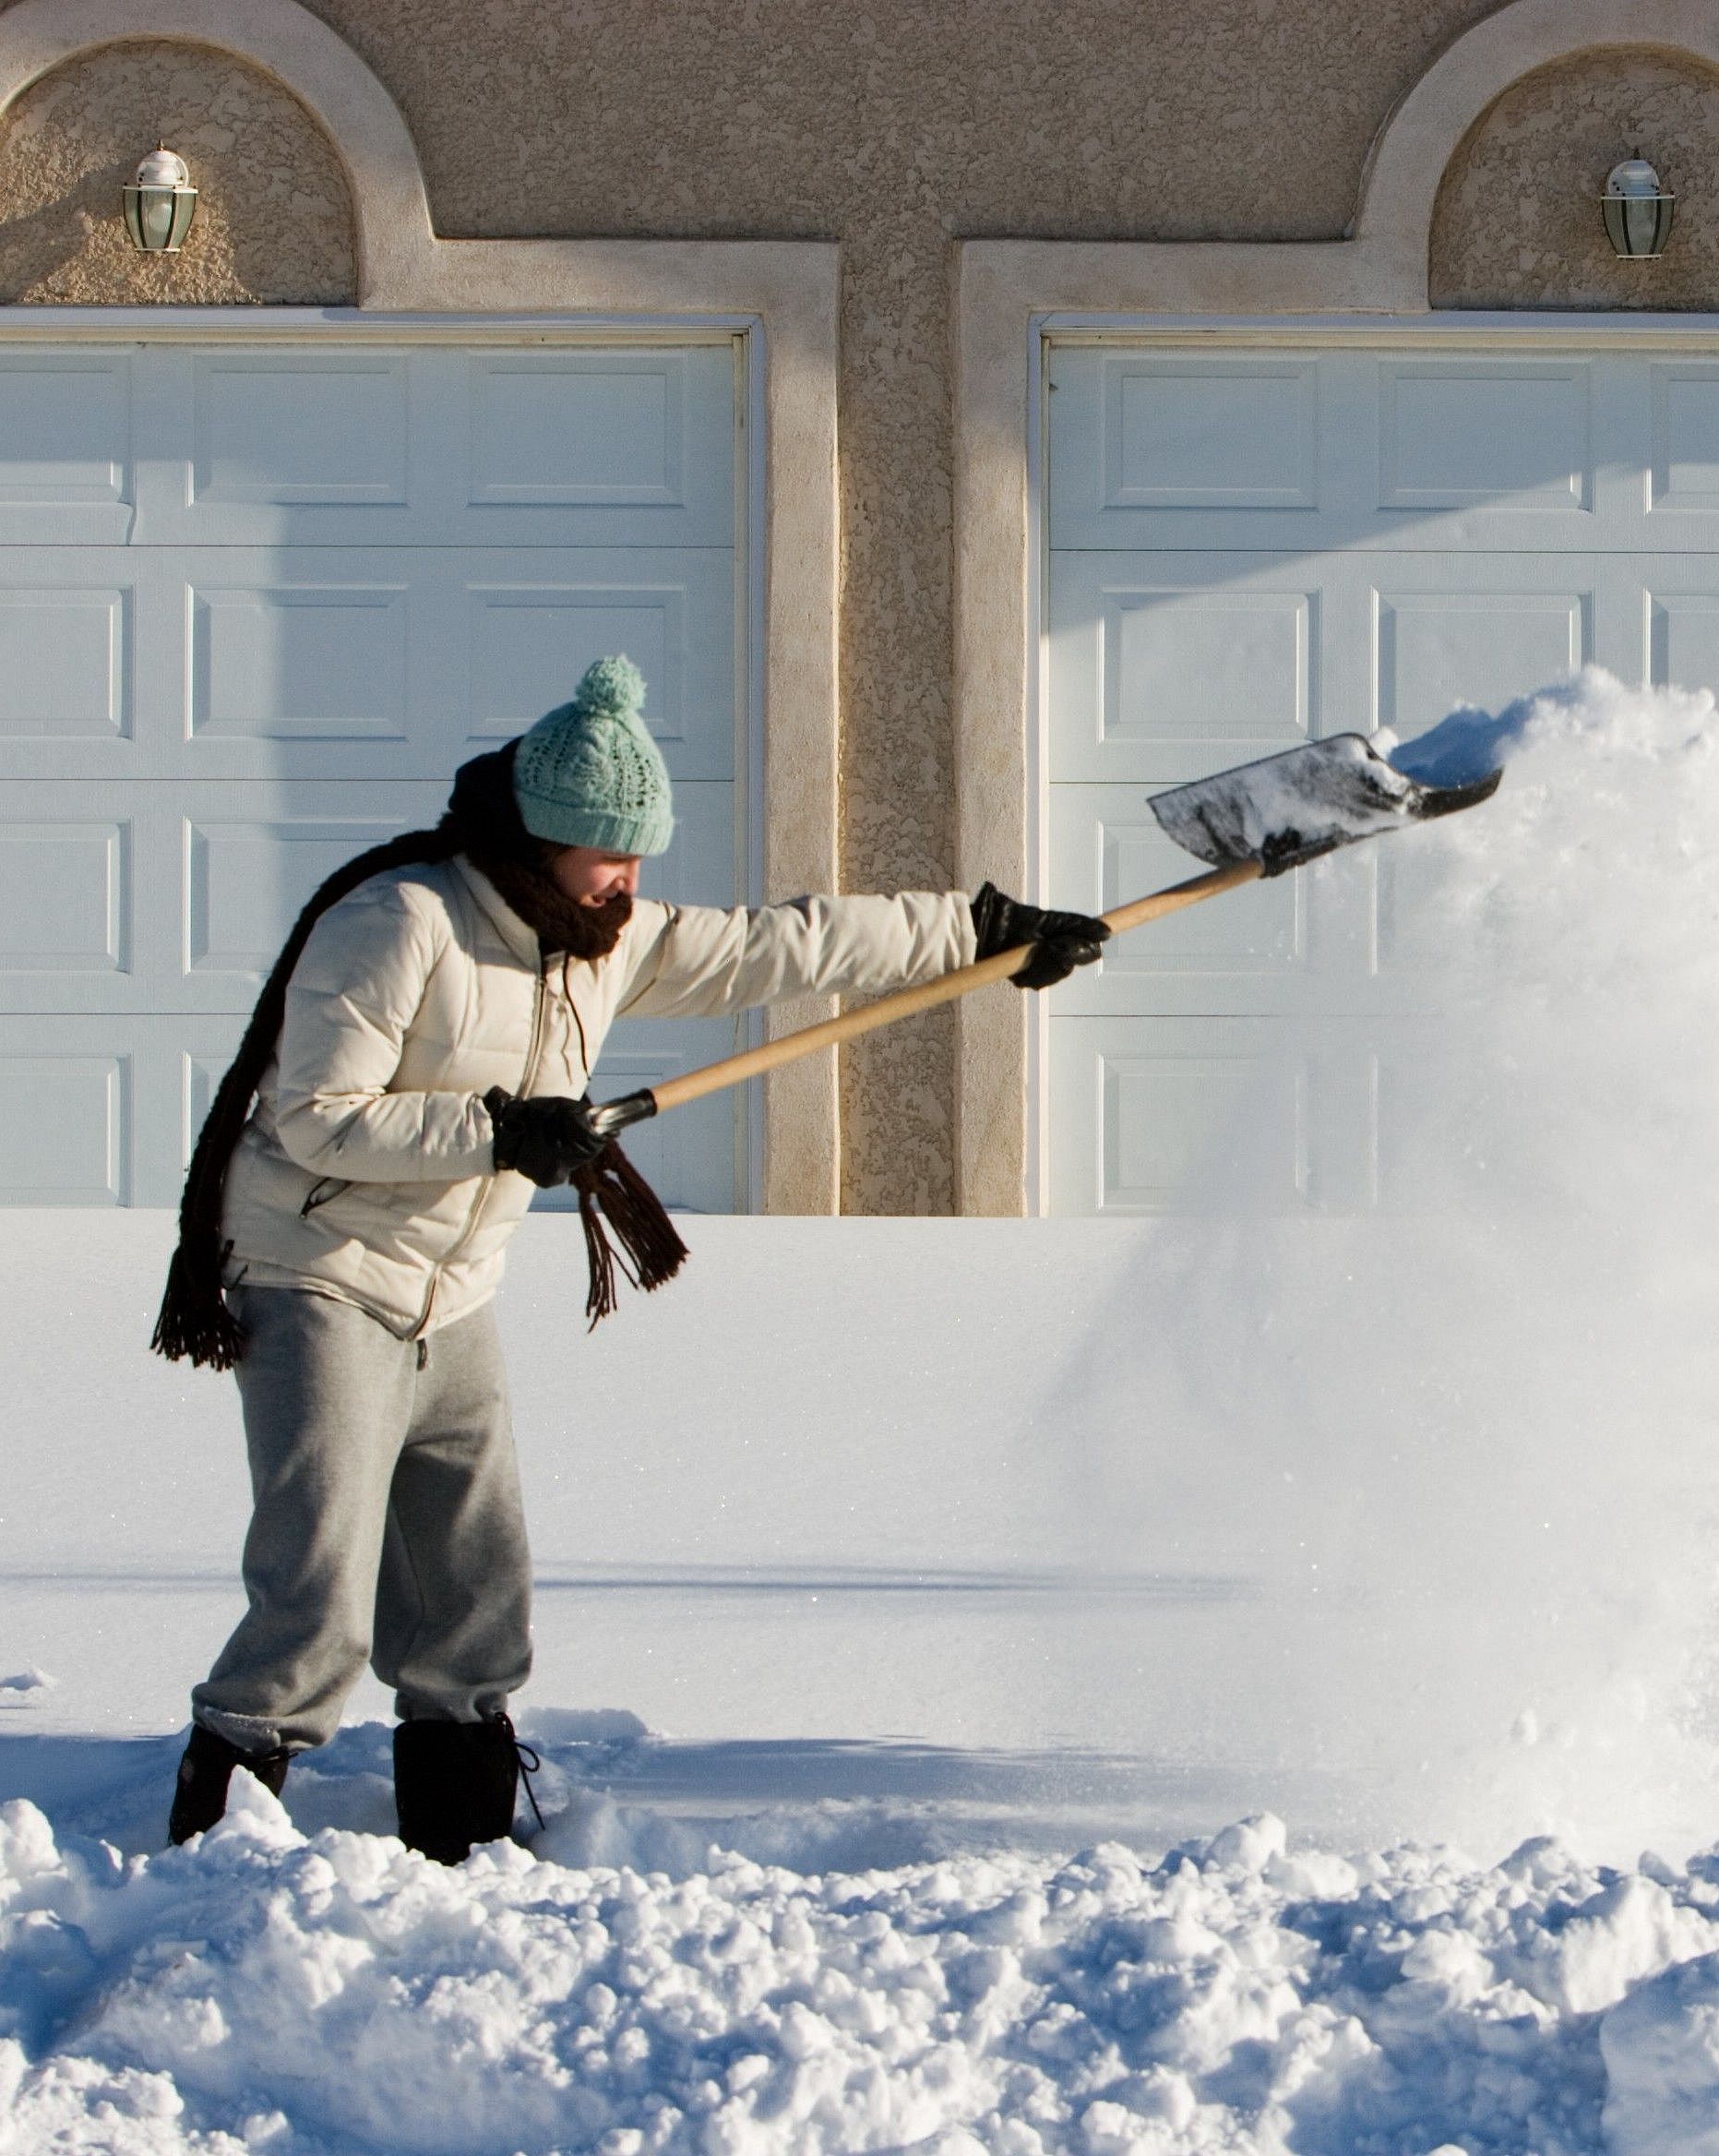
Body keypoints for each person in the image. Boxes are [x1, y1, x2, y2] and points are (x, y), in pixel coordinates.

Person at [155, 656, 1107, 1862]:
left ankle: (464, 1835)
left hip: (453, 1286)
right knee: (318, 1584)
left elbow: (781, 948)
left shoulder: (600, 936)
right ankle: (216, 1846)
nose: (630, 879)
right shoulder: (398, 922)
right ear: (539, 840)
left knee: (471, 1579)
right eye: (610, 855)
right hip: (321, 1270)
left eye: (638, 856)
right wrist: (498, 1128)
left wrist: (976, 932)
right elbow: (316, 1119)